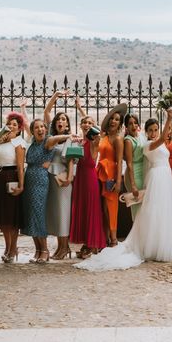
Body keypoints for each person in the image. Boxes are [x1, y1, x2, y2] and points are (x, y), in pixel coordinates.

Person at [75, 110, 172, 271]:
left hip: (163, 177)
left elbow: (168, 138)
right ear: (127, 127)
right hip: (153, 176)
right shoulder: (145, 144)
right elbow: (129, 162)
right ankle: (137, 243)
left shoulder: (144, 140)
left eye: (155, 129)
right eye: (150, 130)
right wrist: (169, 118)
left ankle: (157, 241)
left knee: (160, 212)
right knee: (144, 213)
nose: (153, 132)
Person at [21, 118, 76, 263]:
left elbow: (56, 138)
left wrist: (68, 136)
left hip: (40, 181)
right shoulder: (32, 143)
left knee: (39, 214)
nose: (40, 130)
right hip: (29, 180)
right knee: (31, 215)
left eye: (42, 127)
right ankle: (37, 250)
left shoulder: (48, 141)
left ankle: (44, 250)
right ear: (32, 131)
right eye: (36, 128)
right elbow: (26, 123)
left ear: (46, 130)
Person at [70, 101, 107, 259]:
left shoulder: (94, 141)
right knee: (82, 208)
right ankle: (86, 242)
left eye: (89, 123)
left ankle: (92, 244)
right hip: (79, 177)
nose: (86, 124)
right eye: (84, 122)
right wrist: (79, 107)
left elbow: (97, 134)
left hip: (90, 177)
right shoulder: (79, 141)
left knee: (91, 209)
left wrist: (95, 130)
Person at [0, 112, 27, 263]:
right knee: (3, 216)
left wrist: (21, 185)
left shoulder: (19, 143)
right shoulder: (1, 140)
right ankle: (8, 247)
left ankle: (13, 248)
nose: (11, 127)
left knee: (12, 216)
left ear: (19, 129)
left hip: (11, 177)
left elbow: (20, 167)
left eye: (15, 125)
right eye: (9, 124)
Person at [43, 91, 76, 260]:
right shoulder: (52, 137)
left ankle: (65, 247)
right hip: (51, 177)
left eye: (64, 119)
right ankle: (60, 246)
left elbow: (71, 160)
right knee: (56, 212)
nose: (61, 121)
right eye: (59, 119)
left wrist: (69, 178)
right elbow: (47, 112)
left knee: (64, 212)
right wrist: (55, 95)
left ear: (68, 124)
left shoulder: (71, 140)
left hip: (64, 180)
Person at [97, 103, 126, 246]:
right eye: (112, 119)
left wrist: (118, 181)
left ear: (120, 123)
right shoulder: (104, 136)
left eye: (117, 119)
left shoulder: (118, 139)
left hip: (111, 176)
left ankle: (114, 239)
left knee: (111, 207)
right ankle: (106, 237)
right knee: (103, 208)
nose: (114, 121)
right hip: (101, 174)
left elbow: (120, 161)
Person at [123, 113, 145, 221]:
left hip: (143, 171)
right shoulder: (128, 140)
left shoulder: (141, 136)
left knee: (144, 206)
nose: (133, 126)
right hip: (134, 174)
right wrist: (133, 185)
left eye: (135, 123)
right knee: (137, 205)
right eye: (130, 124)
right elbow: (129, 163)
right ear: (126, 126)